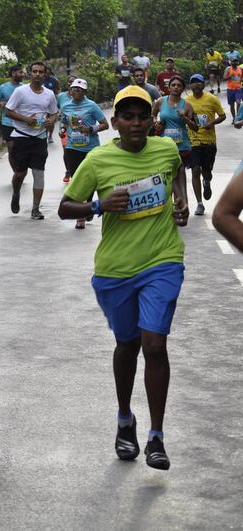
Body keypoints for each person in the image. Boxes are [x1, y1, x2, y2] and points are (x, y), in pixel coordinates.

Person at [58, 85, 190, 471]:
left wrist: (179, 199)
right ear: (114, 122)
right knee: (128, 346)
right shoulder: (97, 161)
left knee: (154, 344)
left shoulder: (165, 149)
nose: (135, 123)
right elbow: (65, 207)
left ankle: (157, 437)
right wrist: (98, 205)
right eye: (127, 117)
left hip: (163, 261)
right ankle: (124, 419)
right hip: (115, 270)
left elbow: (176, 173)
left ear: (153, 120)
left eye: (142, 116)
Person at [4, 61, 59, 220]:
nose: (37, 74)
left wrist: (52, 120)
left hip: (39, 138)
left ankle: (35, 209)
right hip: (21, 137)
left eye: (40, 72)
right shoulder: (21, 92)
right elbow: (8, 111)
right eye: (34, 71)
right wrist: (26, 119)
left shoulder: (49, 94)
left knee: (39, 174)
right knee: (20, 174)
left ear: (45, 74)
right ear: (30, 73)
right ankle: (16, 193)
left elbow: (54, 112)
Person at [58, 78, 109, 228]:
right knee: (76, 179)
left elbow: (105, 124)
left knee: (90, 180)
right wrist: (62, 129)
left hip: (90, 148)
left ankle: (88, 204)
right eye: (74, 89)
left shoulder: (92, 105)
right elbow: (64, 121)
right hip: (73, 147)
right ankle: (80, 216)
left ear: (85, 92)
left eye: (79, 90)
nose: (76, 92)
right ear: (70, 91)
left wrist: (91, 129)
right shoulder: (66, 106)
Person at [153, 75, 197, 209]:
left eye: (179, 85)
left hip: (182, 145)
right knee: (167, 175)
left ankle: (182, 204)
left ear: (183, 89)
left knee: (180, 174)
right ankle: (169, 205)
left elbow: (195, 127)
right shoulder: (161, 101)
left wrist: (186, 118)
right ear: (169, 87)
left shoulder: (187, 105)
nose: (176, 87)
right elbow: (153, 115)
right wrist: (156, 123)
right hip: (164, 146)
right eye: (173, 85)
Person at [185, 74, 226, 215]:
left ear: (204, 85)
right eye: (193, 82)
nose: (196, 85)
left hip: (209, 142)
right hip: (193, 141)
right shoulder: (186, 101)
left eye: (199, 82)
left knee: (206, 172)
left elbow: (222, 116)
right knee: (195, 171)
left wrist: (212, 123)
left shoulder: (212, 99)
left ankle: (207, 182)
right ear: (189, 86)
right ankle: (199, 204)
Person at [0, 65, 25, 166]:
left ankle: (21, 169)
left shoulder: (24, 88)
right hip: (7, 122)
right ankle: (16, 171)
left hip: (21, 122)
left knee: (21, 149)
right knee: (11, 148)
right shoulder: (3, 87)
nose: (22, 74)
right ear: (13, 73)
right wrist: (0, 104)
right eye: (20, 72)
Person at [58, 74, 76, 183]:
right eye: (70, 82)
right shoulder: (61, 96)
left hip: (77, 128)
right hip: (64, 126)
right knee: (66, 150)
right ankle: (68, 170)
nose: (71, 84)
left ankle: (76, 171)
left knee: (76, 150)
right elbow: (54, 108)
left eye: (74, 82)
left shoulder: (82, 97)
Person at [43, 67, 60, 143]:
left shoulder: (54, 80)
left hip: (52, 103)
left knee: (52, 121)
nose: (47, 74)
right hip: (43, 103)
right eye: (46, 72)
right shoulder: (41, 80)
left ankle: (50, 136)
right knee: (45, 120)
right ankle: (45, 135)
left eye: (48, 73)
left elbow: (57, 90)